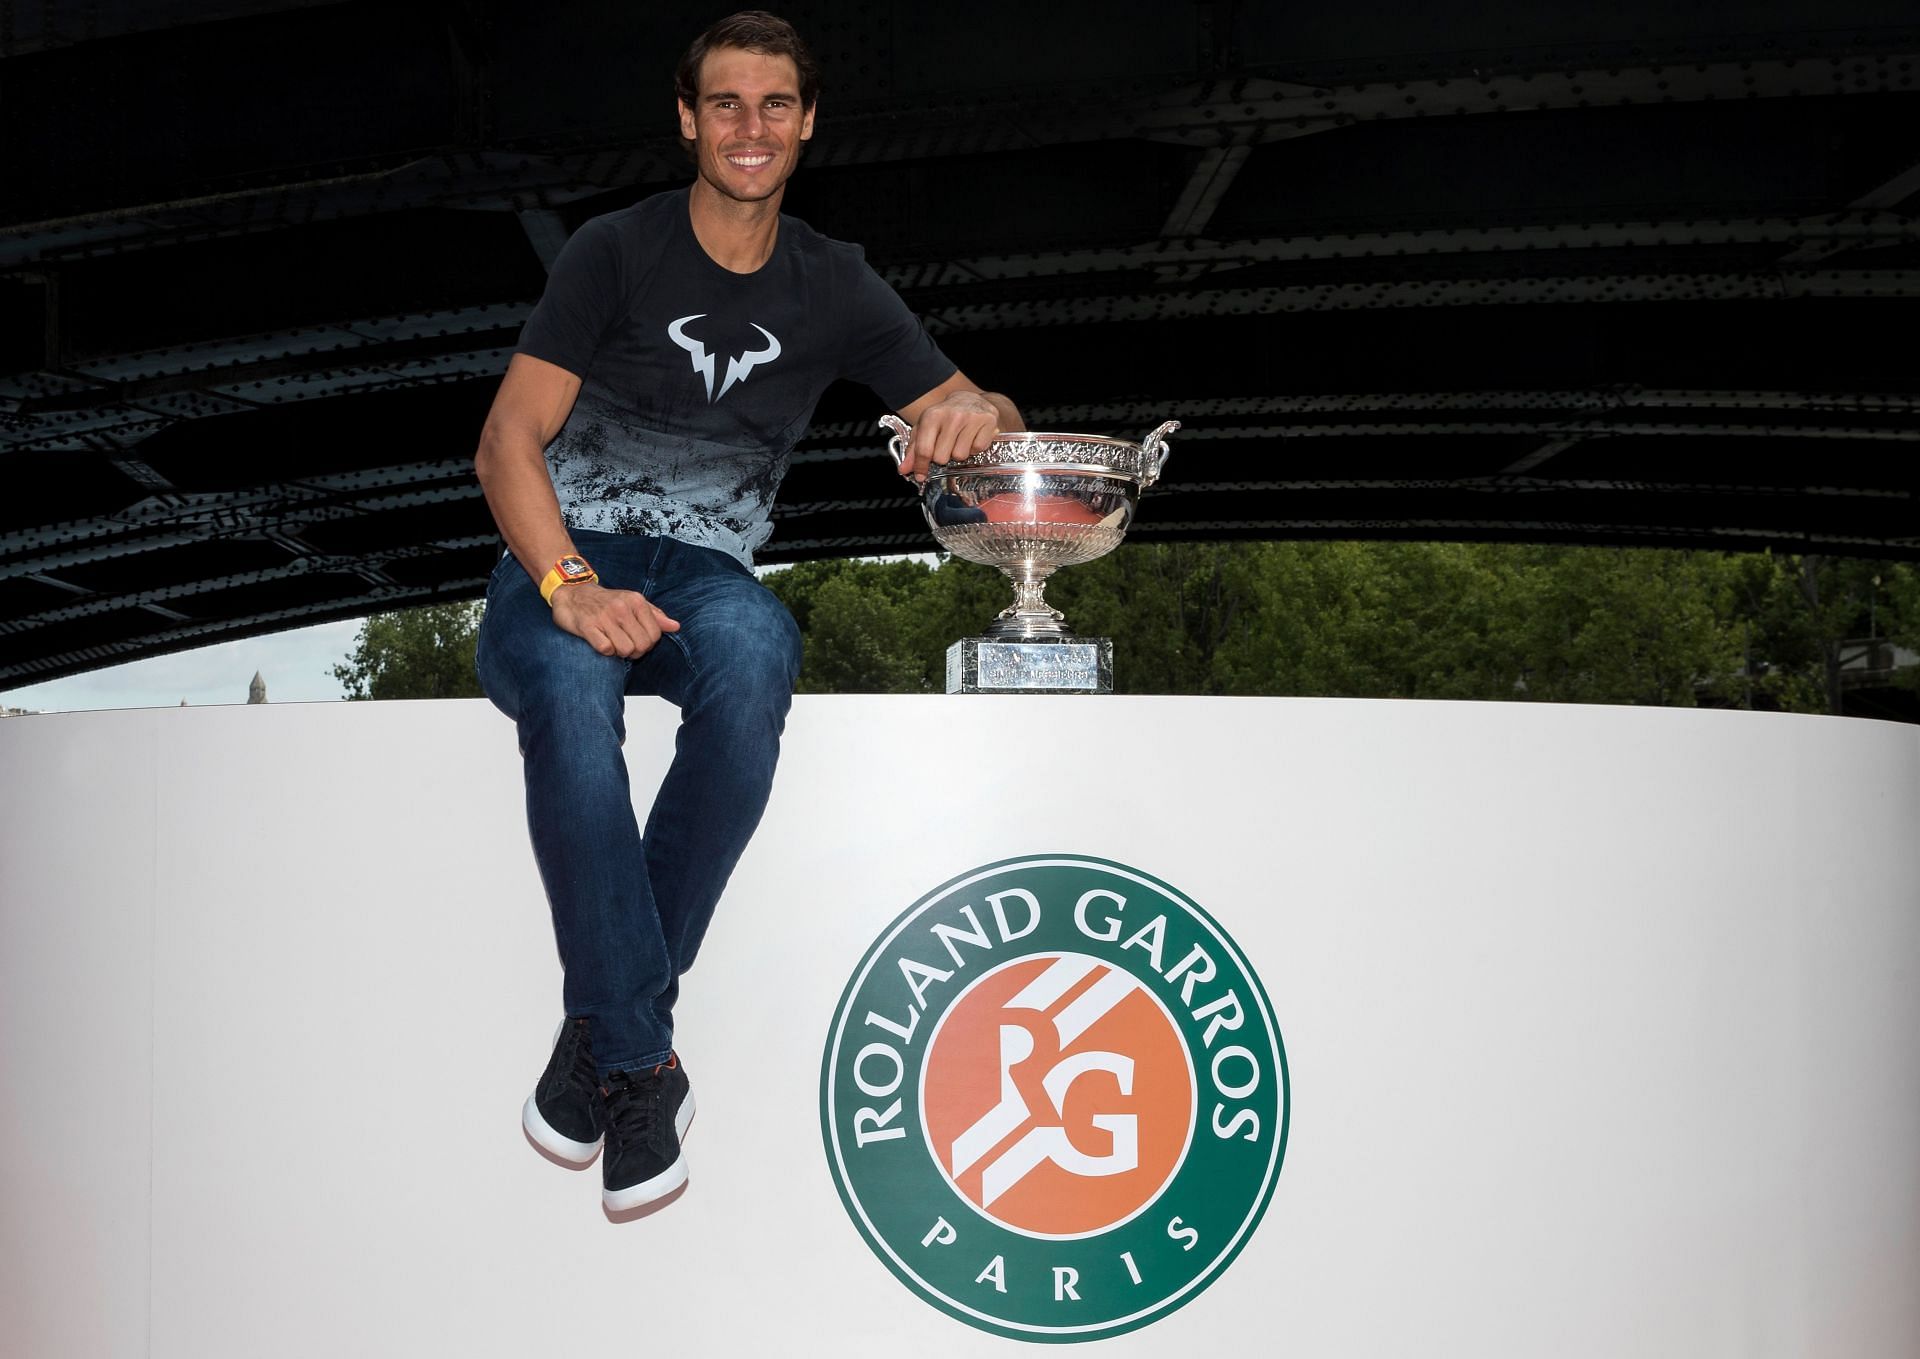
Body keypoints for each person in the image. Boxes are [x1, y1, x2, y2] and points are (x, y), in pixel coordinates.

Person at [471, 10, 1022, 1215]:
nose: (751, 128)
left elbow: (982, 410)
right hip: (566, 559)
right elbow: (507, 439)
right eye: (726, 104)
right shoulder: (615, 251)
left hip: (709, 576)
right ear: (688, 119)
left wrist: (978, 411)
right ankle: (638, 1065)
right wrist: (569, 586)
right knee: (568, 687)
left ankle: (602, 1049)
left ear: (808, 120)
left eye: (775, 105)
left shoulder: (835, 279)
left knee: (761, 649)